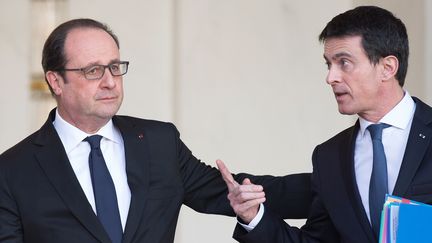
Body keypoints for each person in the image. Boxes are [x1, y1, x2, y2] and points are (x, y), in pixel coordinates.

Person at [0, 18, 312, 243]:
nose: (110, 81)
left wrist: (339, 186)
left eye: (114, 66)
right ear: (55, 81)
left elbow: (230, 191)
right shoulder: (13, 170)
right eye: (93, 70)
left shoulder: (158, 143)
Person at [217, 5, 432, 243]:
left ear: (387, 67)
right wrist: (253, 217)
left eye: (344, 63)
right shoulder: (329, 157)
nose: (331, 78)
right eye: (329, 64)